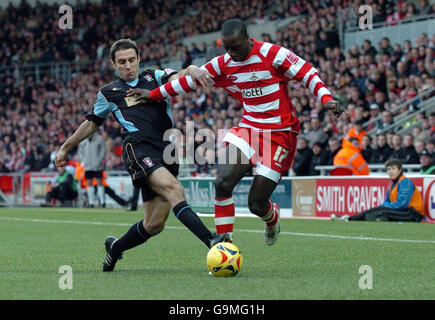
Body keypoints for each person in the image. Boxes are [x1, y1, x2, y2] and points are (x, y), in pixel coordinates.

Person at [130, 19, 344, 244]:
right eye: (227, 48)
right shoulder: (224, 62)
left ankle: (272, 219)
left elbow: (307, 73)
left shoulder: (272, 53)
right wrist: (153, 95)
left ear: (247, 39)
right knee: (222, 182)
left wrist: (326, 98)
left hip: (280, 134)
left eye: (236, 47)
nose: (231, 53)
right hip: (249, 129)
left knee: (256, 204)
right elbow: (189, 81)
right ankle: (225, 245)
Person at [54, 38, 229, 272]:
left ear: (139, 59)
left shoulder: (152, 77)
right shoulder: (109, 92)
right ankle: (211, 241)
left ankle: (115, 248)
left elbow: (178, 76)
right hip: (138, 147)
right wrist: (66, 146)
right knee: (174, 189)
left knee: (154, 224)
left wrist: (192, 69)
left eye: (131, 60)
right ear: (113, 64)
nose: (128, 66)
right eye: (122, 62)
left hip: (166, 149)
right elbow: (92, 123)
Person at [331, 159, 425, 222]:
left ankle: (350, 218)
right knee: (378, 210)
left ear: (400, 170)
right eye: (388, 169)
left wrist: (383, 206)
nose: (390, 171)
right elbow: (386, 202)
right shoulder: (392, 184)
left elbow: (401, 204)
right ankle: (352, 218)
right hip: (402, 211)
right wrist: (383, 206)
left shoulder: (405, 182)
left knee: (380, 211)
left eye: (393, 169)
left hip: (412, 214)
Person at [78, 132, 107, 207]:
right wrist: (83, 160)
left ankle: (102, 201)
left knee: (99, 182)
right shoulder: (83, 140)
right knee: (89, 182)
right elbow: (80, 152)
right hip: (88, 165)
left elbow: (103, 150)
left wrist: (99, 160)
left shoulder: (99, 139)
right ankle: (91, 202)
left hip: (97, 165)